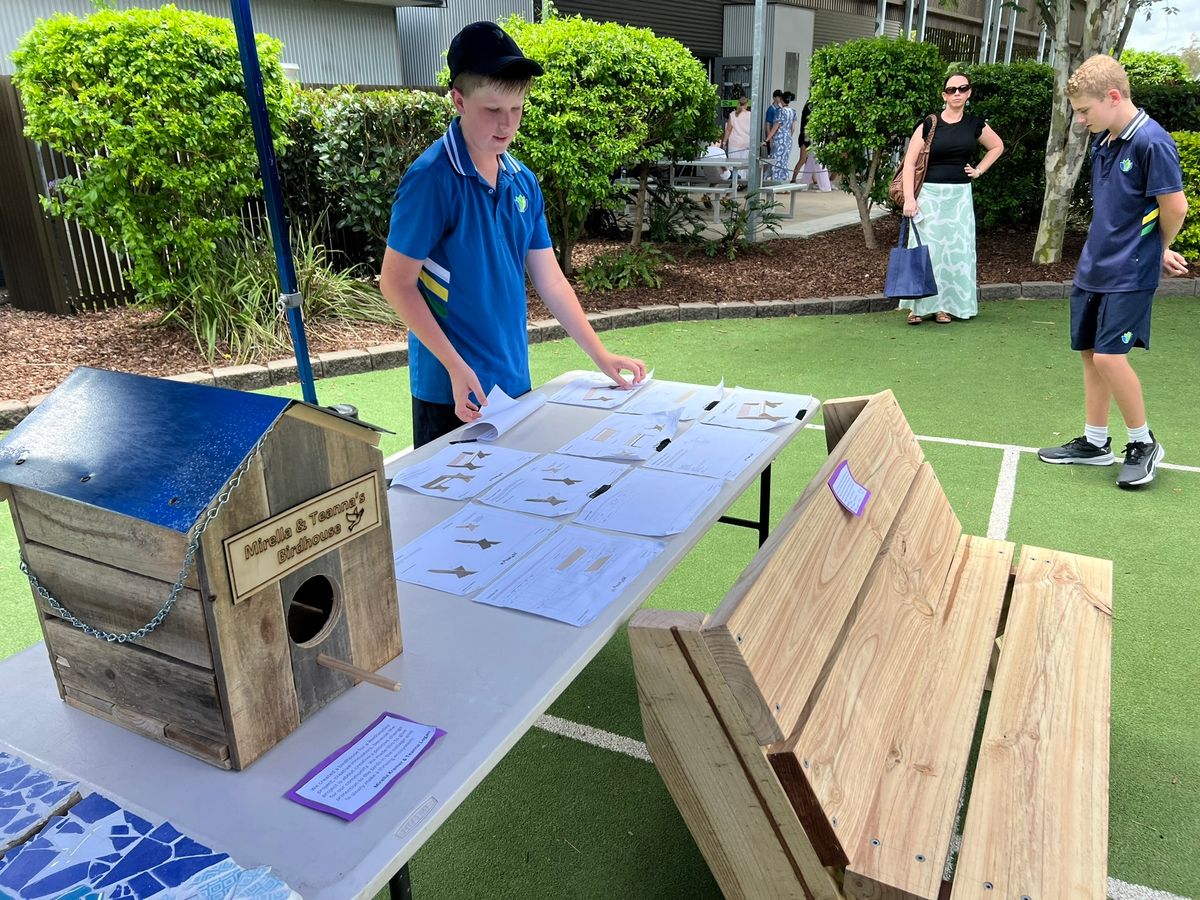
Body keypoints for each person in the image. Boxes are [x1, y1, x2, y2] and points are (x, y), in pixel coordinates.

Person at [379, 22, 646, 447]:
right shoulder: (430, 179)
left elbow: (551, 279)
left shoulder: (523, 180)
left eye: (517, 109)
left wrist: (600, 354)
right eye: (493, 110)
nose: (507, 124)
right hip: (450, 390)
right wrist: (454, 366)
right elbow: (395, 283)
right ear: (459, 100)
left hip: (513, 381)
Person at [1037, 54, 1189, 489]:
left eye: (1085, 110)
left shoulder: (1152, 142)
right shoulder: (1105, 140)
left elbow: (1175, 207)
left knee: (1109, 356)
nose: (1080, 119)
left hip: (1130, 271)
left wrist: (1158, 248)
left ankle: (1143, 443)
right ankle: (1094, 442)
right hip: (1095, 266)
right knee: (1090, 352)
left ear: (1114, 97)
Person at [899, 73, 1004, 325]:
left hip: (959, 198)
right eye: (951, 89)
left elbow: (997, 146)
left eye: (962, 88)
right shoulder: (929, 123)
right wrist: (909, 199)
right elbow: (910, 163)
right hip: (929, 197)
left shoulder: (975, 124)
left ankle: (944, 307)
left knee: (955, 254)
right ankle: (917, 307)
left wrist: (979, 170)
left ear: (969, 93)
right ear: (944, 95)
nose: (957, 93)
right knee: (926, 251)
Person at [791, 101, 831, 191]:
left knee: (809, 161)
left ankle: (814, 181)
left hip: (808, 137)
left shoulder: (808, 110)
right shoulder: (809, 110)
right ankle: (793, 179)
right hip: (806, 138)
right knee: (803, 159)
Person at [763, 91, 796, 182]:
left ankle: (776, 180)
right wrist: (788, 136)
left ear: (781, 100)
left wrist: (767, 139)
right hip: (788, 139)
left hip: (779, 138)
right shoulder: (793, 112)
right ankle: (784, 180)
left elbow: (775, 127)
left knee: (776, 160)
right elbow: (793, 128)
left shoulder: (780, 111)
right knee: (784, 161)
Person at [723, 94, 751, 163]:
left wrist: (724, 142)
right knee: (744, 166)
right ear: (746, 104)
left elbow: (728, 130)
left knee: (733, 164)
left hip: (734, 144)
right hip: (747, 143)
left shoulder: (733, 114)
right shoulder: (751, 115)